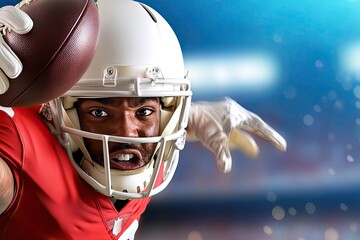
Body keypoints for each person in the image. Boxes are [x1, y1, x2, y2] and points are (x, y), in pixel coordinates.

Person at [0, 0, 286, 239]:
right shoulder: (22, 150)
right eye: (100, 112)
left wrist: (189, 117)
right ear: (58, 112)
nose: (128, 133)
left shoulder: (150, 151)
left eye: (144, 111)